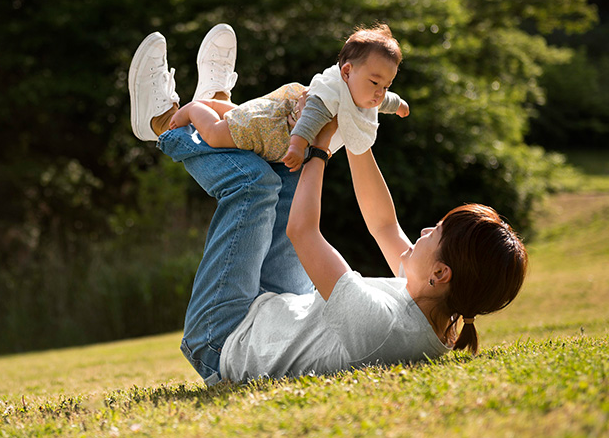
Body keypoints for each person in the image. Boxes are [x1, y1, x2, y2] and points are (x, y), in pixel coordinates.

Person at [127, 25, 528, 385]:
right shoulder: (433, 305)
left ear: (442, 272)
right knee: (287, 166)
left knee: (254, 185)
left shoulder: (383, 329)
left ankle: (163, 124)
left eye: (435, 232)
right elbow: (384, 225)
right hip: (278, 309)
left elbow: (303, 233)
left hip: (226, 338)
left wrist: (321, 149)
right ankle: (215, 106)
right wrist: (355, 132)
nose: (423, 231)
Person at [166, 23, 410, 171]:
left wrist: (397, 104)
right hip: (271, 130)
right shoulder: (330, 95)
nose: (380, 92)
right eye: (376, 82)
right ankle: (193, 109)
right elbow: (311, 119)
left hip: (275, 130)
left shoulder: (365, 93)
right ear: (347, 71)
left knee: (236, 114)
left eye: (387, 86)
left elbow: (382, 102)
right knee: (217, 135)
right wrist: (297, 146)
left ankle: (211, 102)